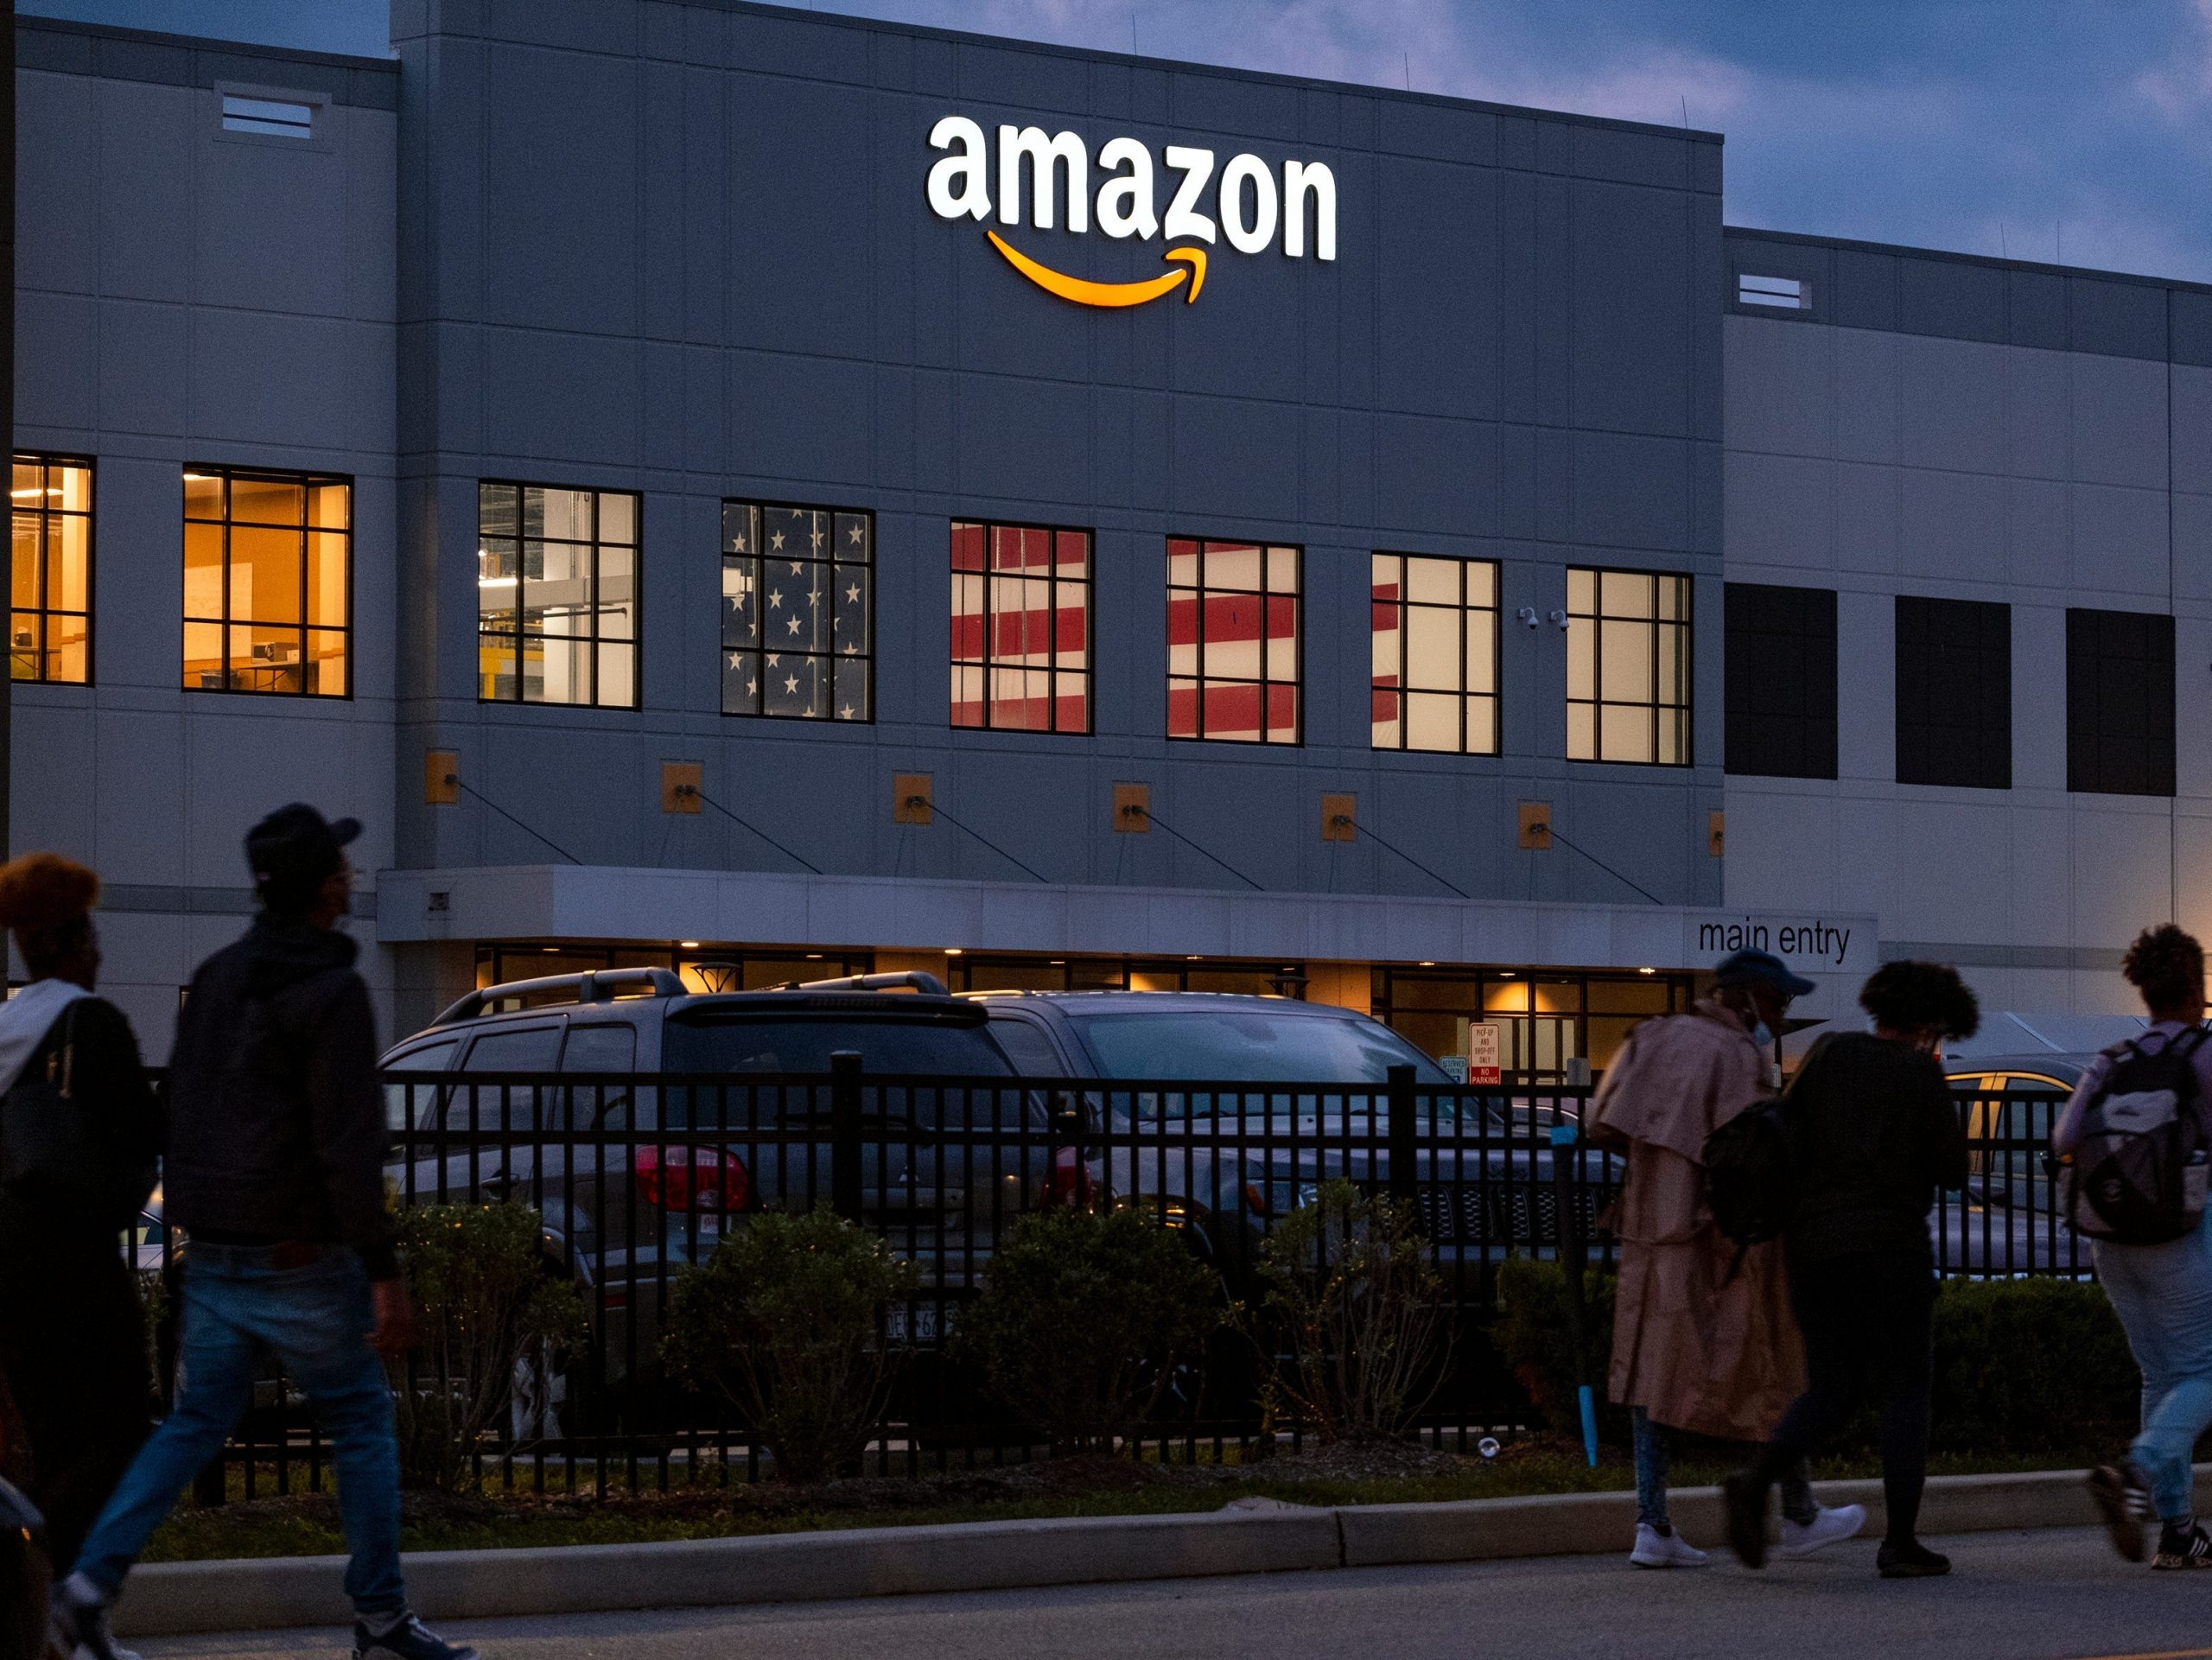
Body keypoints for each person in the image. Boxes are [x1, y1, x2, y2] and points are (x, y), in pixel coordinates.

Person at [51, 806, 477, 1660]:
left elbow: (186, 1108)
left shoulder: (217, 977)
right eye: (341, 871)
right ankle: (383, 1620)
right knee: (359, 1419)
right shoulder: (333, 990)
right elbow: (348, 1143)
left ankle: (88, 1586)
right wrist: (383, 1270)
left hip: (215, 1250)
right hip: (301, 1255)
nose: (350, 882)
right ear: (325, 888)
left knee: (191, 1423)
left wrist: (196, 1223)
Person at [1586, 949, 1864, 1568]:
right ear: (1748, 998)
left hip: (1647, 1230)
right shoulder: (1736, 1054)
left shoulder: (1651, 1036)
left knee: (1650, 1375)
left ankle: (1652, 1523)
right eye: (1777, 1001)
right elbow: (1751, 1153)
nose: (1781, 1013)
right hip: (1721, 1238)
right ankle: (1797, 1511)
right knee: (1774, 1361)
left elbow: (1600, 1120)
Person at [1725, 960, 1974, 1580]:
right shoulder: (1920, 1072)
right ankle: (1901, 1541)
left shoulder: (1830, 1053)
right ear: (1929, 1022)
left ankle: (1757, 1480)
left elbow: (1788, 1131)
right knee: (1905, 1388)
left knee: (1831, 1387)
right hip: (1891, 1246)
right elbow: (1953, 1171)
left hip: (1814, 1246)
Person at [0, 855, 160, 1604]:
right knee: (124, 1429)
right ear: (71, 940)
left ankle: (53, 1612)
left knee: (54, 1437)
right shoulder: (91, 1024)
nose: (100, 951)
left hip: (11, 1268)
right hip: (79, 1267)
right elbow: (138, 1143)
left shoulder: (6, 1024)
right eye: (92, 935)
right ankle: (67, 1598)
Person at [2061, 925, 2212, 1570]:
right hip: (2176, 1237)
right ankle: (2137, 1469)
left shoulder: (2112, 1057)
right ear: (2197, 985)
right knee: (2206, 1371)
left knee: (2161, 1373)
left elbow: (2063, 1138)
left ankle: (2177, 1532)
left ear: (2145, 990)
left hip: (2109, 1239)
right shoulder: (2205, 1056)